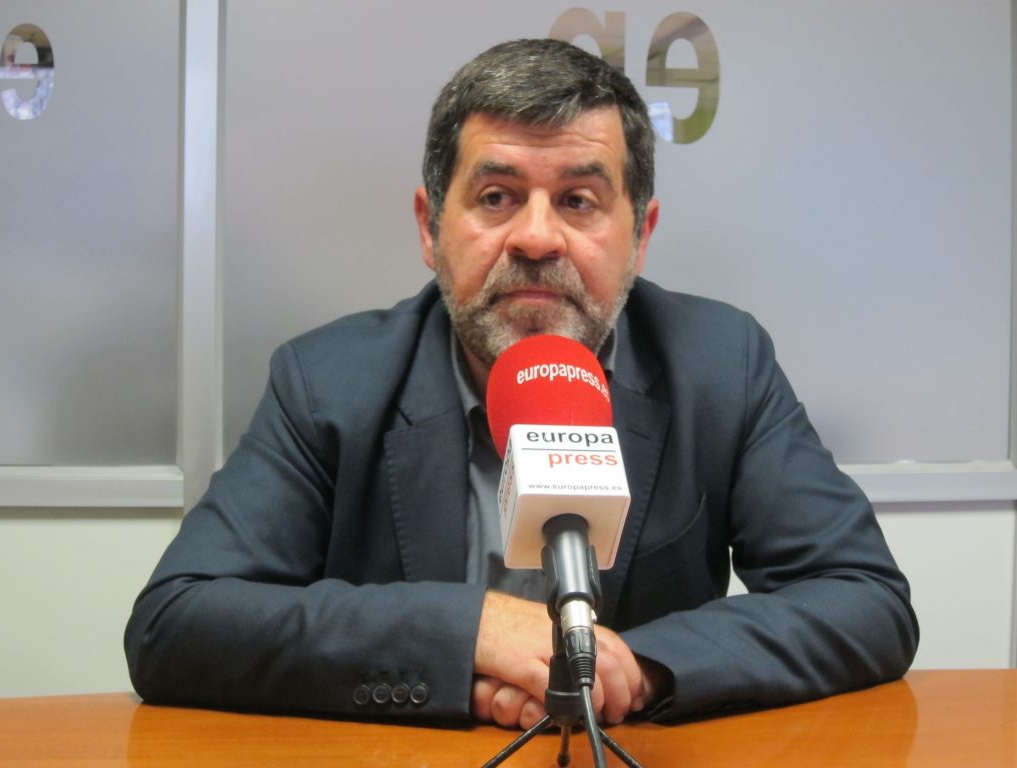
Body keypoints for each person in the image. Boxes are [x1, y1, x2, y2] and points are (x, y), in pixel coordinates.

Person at [125, 38, 918, 729]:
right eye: (497, 197)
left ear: (641, 235)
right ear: (429, 226)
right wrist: (472, 630)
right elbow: (176, 623)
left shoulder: (721, 365)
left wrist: (638, 669)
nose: (537, 237)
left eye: (579, 200)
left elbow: (864, 598)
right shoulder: (328, 382)